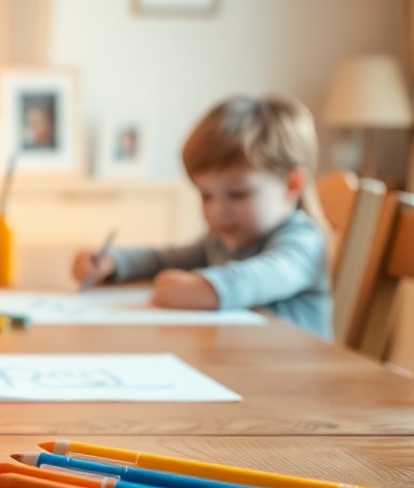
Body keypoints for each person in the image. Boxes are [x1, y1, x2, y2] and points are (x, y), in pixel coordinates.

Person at [72, 95, 332, 338]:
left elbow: (266, 274)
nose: (217, 210)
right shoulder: (220, 241)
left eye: (237, 194)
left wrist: (209, 288)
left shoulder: (303, 240)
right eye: (206, 196)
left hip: (294, 376)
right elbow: (165, 258)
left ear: (292, 185)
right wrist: (114, 263)